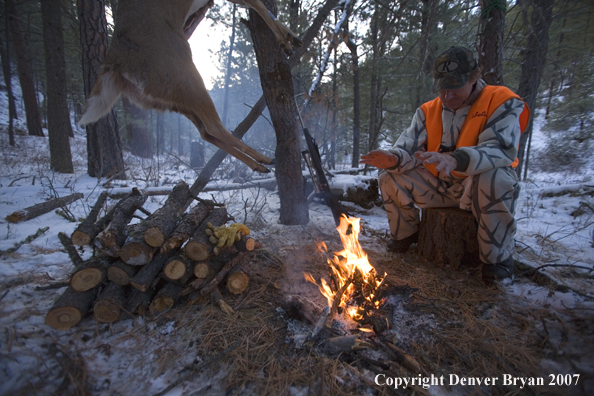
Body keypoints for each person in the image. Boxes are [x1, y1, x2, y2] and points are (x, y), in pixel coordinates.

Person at [361, 46, 530, 283]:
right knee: (389, 176)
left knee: (495, 177)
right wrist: (393, 159)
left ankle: (497, 259)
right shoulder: (428, 111)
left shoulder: (503, 102)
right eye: (442, 88)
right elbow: (408, 148)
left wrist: (456, 159)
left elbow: (500, 149)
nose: (447, 96)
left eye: (454, 87)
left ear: (474, 77)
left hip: (477, 187)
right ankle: (406, 234)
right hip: (441, 187)